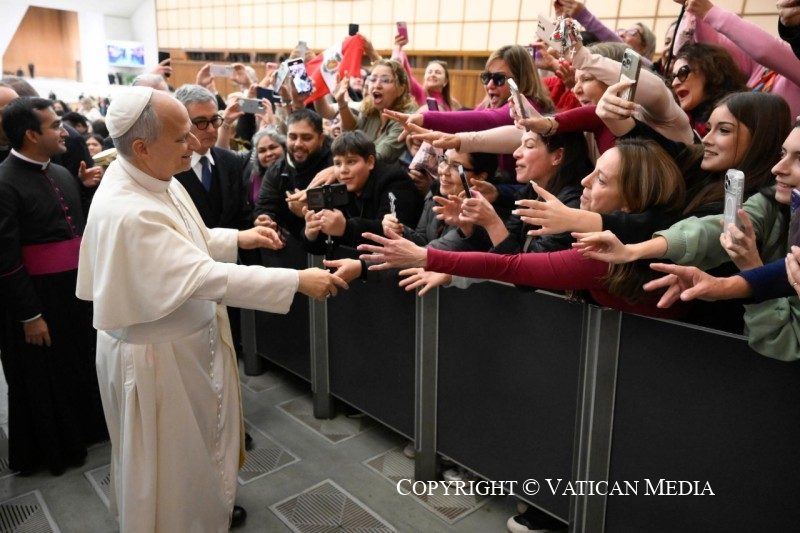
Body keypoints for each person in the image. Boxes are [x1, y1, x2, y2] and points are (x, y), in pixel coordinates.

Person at [76, 86, 347, 532]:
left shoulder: (148, 176)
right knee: (173, 466)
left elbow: (188, 239)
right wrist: (297, 281)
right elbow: (202, 275)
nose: (195, 143)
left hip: (181, 348)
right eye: (182, 136)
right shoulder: (129, 209)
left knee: (198, 453)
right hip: (157, 361)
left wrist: (241, 238)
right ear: (142, 147)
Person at [355, 138, 688, 320]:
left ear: (632, 201)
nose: (586, 181)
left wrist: (426, 257)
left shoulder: (601, 254)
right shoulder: (538, 196)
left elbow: (511, 267)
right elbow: (511, 258)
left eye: (600, 179)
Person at [0, 97, 107, 476]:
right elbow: (6, 259)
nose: (64, 131)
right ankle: (58, 448)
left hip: (74, 293)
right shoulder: (4, 181)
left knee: (80, 364)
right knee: (47, 377)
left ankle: (90, 429)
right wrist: (30, 314)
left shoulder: (62, 172)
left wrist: (86, 189)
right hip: (38, 300)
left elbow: (71, 226)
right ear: (31, 134)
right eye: (54, 125)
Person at [304, 131, 422, 251]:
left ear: (370, 162)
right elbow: (325, 246)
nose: (343, 170)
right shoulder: (339, 187)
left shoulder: (394, 180)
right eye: (338, 163)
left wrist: (346, 228)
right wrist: (312, 234)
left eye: (351, 161)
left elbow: (393, 231)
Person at [254, 109, 333, 240]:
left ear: (321, 139)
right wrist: (265, 219)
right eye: (292, 137)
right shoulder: (277, 169)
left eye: (306, 138)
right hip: (291, 244)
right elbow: (264, 205)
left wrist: (308, 211)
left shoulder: (335, 163)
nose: (298, 144)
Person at [668, 43, 747, 137]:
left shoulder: (736, 115)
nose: (674, 83)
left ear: (710, 71)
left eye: (683, 72)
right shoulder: (680, 120)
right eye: (673, 77)